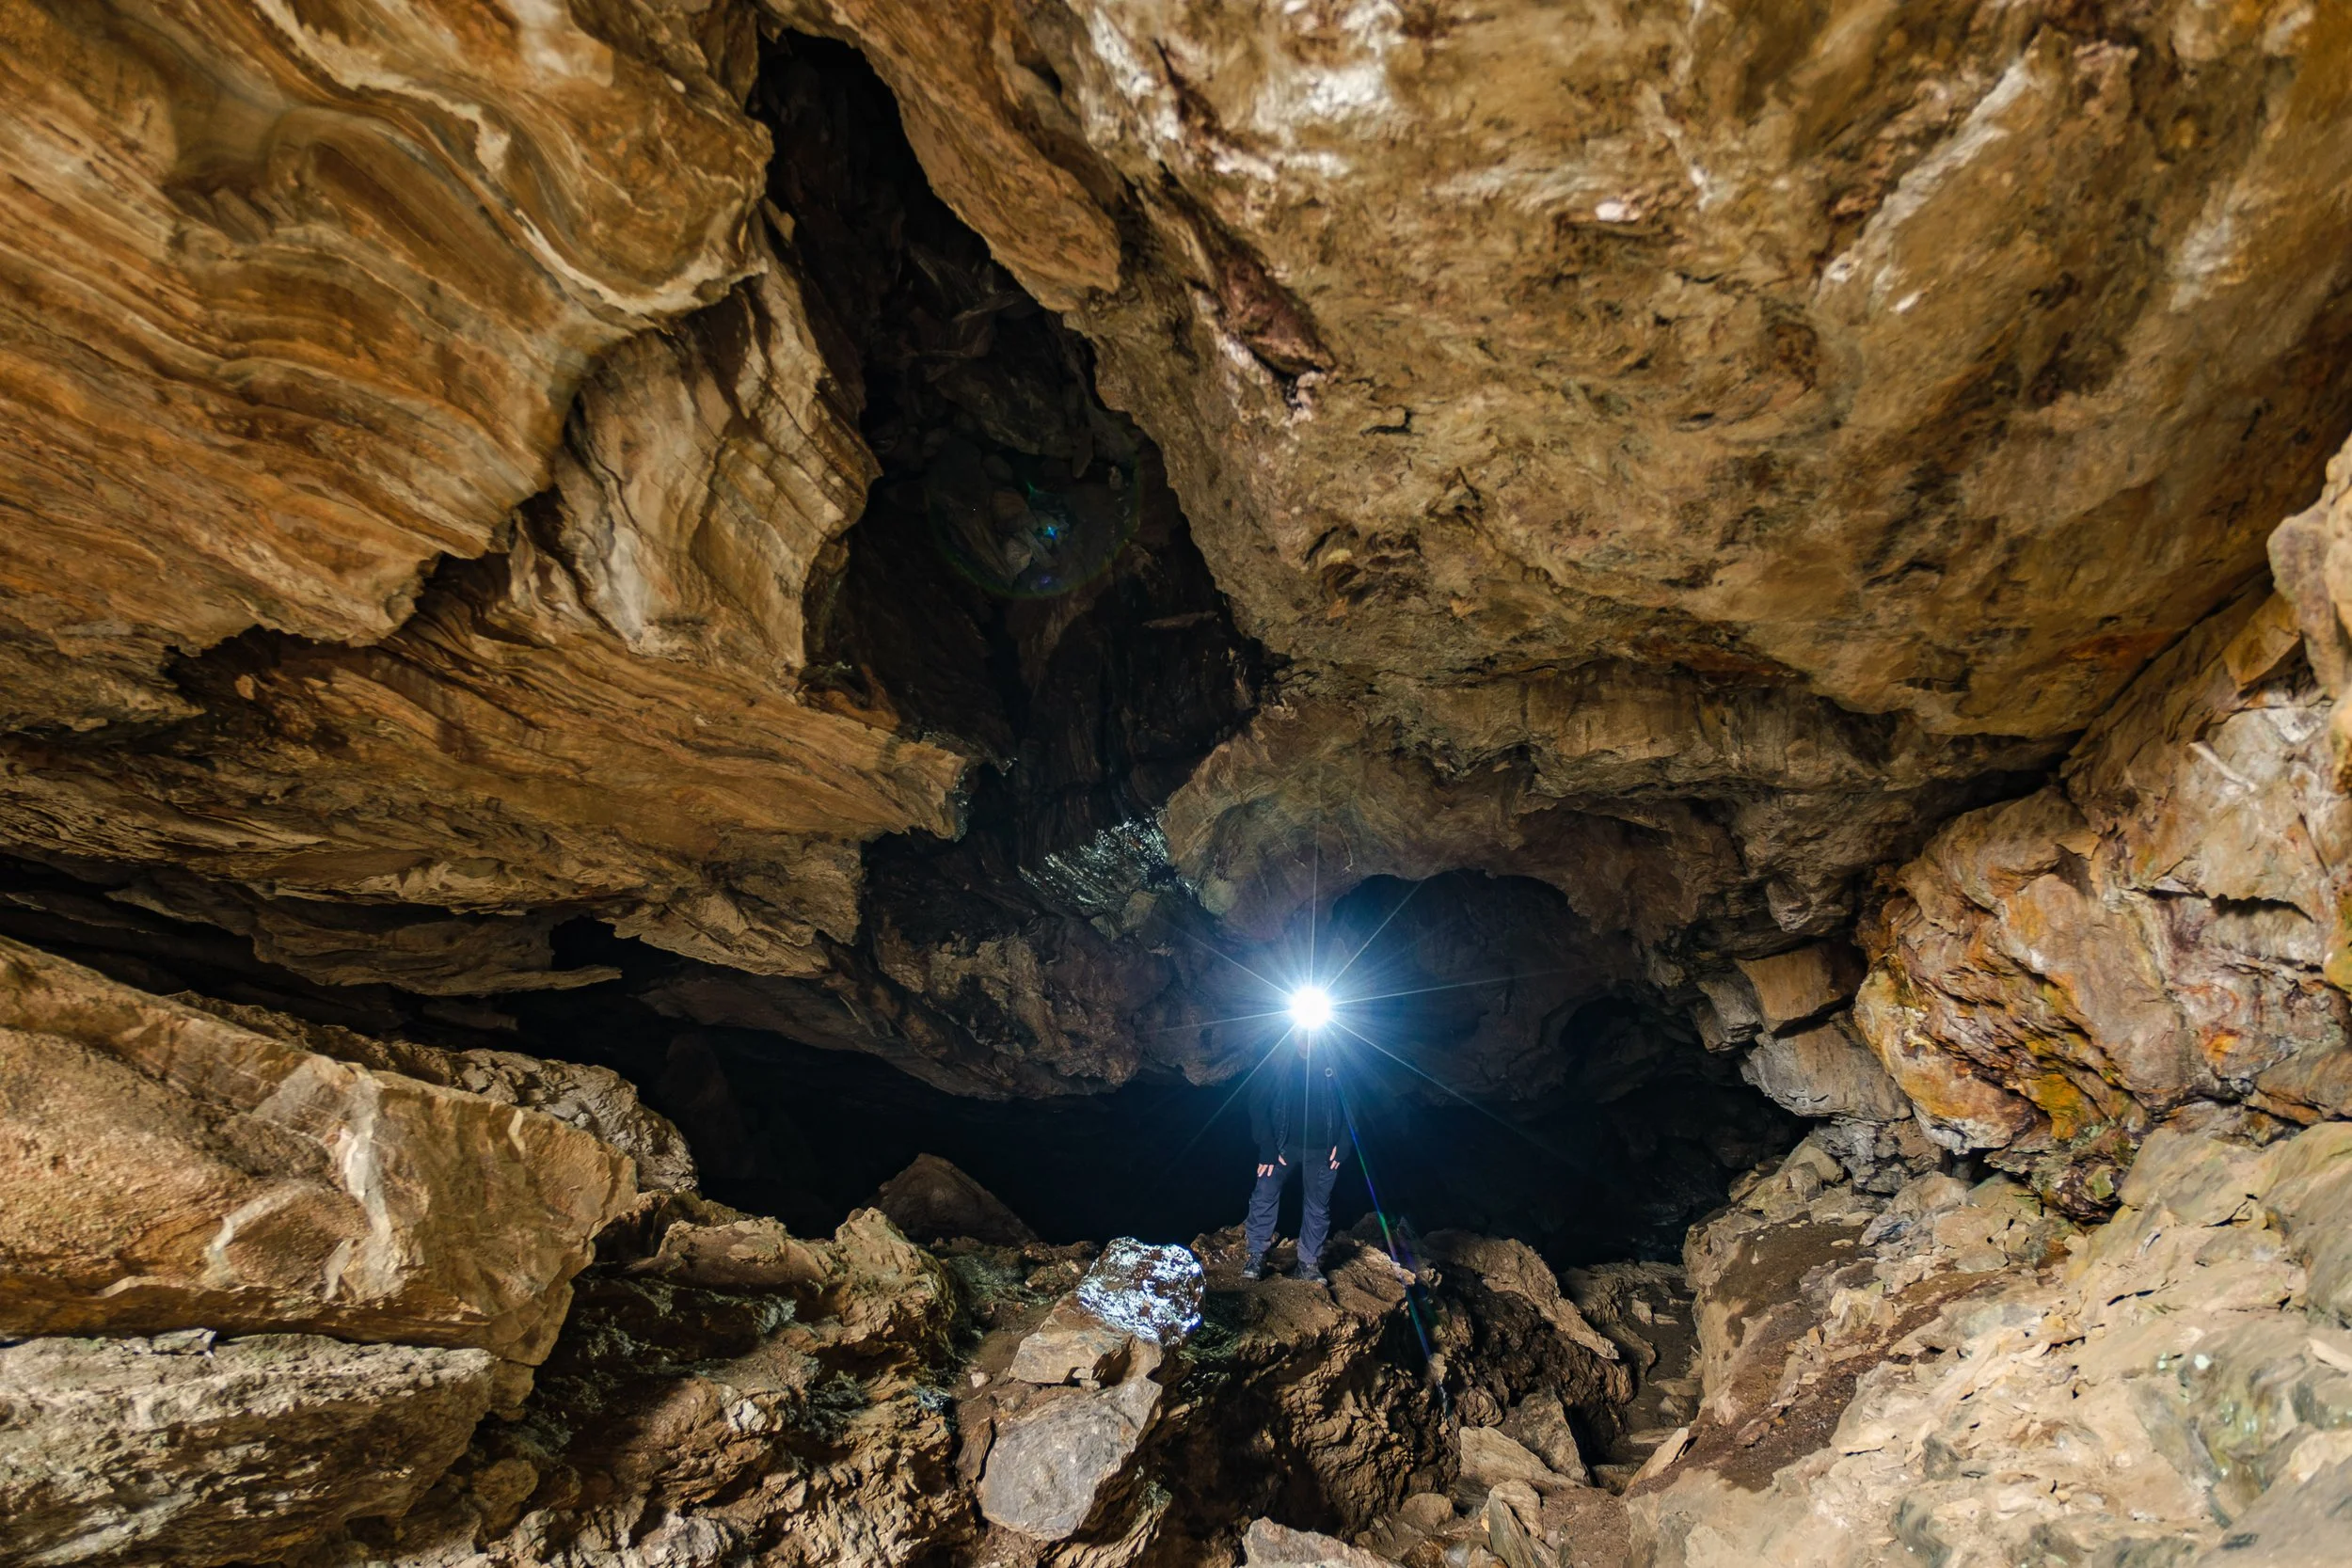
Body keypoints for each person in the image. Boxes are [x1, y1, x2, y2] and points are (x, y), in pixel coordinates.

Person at [1240, 1033, 1345, 1282]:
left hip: (1324, 1149)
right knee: (1264, 1192)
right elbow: (1257, 1102)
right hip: (1283, 1145)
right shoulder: (1278, 1059)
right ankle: (1256, 1255)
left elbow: (1355, 1102)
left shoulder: (1337, 1059)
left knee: (1318, 1207)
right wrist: (1268, 1146)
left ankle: (1308, 1264)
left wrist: (1345, 1143)